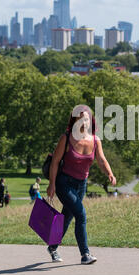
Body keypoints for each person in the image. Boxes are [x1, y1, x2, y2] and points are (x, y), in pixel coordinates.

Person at [46, 105, 116, 265]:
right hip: (64, 183)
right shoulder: (66, 137)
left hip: (81, 184)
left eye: (85, 118)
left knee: (68, 217)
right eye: (79, 118)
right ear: (75, 120)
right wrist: (52, 184)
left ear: (90, 120)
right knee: (81, 214)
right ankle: (85, 254)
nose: (83, 121)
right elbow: (55, 162)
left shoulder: (95, 140)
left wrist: (110, 173)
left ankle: (52, 247)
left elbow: (101, 160)